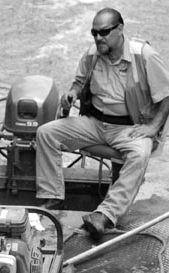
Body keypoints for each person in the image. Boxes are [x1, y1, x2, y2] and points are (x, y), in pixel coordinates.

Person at [35, 8, 169, 241]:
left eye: (104, 32)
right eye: (94, 33)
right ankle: (52, 199)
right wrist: (72, 94)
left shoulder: (144, 55)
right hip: (95, 124)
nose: (98, 38)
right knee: (46, 133)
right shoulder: (92, 54)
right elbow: (78, 82)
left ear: (120, 29)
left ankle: (105, 214)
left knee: (140, 153)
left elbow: (166, 95)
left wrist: (153, 128)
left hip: (129, 128)